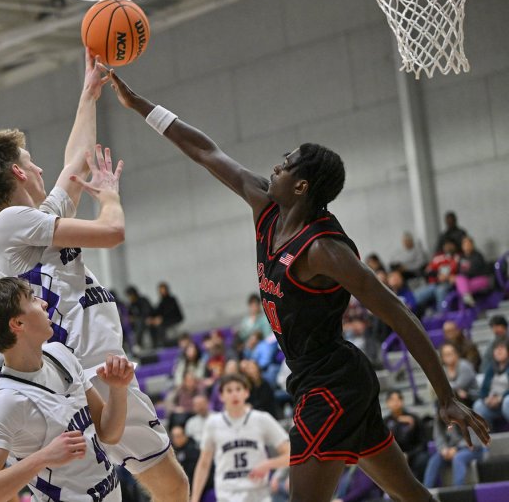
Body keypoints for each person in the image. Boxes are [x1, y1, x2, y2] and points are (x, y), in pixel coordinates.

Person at [106, 70, 490, 502]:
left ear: (302, 186)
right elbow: (205, 151)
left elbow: (398, 312)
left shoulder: (324, 250)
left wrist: (445, 396)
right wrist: (139, 105)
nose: (276, 167)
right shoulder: (265, 206)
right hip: (324, 378)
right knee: (411, 495)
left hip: (331, 386)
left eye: (285, 164)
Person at [0, 49, 188, 501]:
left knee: (161, 486)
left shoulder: (32, 223)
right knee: (170, 486)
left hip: (92, 369)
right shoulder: (9, 223)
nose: (42, 169)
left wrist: (88, 94)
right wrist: (110, 196)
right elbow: (112, 231)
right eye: (31, 162)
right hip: (85, 370)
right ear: (18, 171)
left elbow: (76, 165)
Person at [0, 277, 134, 501]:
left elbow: (108, 433)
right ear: (18, 323)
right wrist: (43, 458)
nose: (44, 303)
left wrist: (118, 390)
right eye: (32, 299)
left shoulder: (60, 354)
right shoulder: (5, 401)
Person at [190, 374, 290, 502]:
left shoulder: (262, 419)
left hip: (258, 495)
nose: (234, 394)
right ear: (221, 396)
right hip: (227, 495)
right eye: (229, 390)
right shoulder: (213, 423)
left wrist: (268, 464)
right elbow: (204, 464)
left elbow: (290, 454)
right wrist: (194, 498)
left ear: (246, 393)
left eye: (238, 389)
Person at [422, 413, 485, 488]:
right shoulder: (439, 417)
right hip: (451, 449)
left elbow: (474, 440)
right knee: (434, 460)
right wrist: (443, 449)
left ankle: (458, 491)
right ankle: (426, 490)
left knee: (458, 458)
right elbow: (438, 437)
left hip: (475, 450)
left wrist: (457, 449)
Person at [383, 390, 429, 481]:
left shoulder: (414, 418)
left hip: (413, 454)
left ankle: (422, 486)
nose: (396, 402)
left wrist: (408, 455)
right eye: (392, 400)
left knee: (423, 459)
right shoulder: (385, 422)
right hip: (394, 456)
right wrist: (397, 423)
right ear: (387, 403)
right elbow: (387, 443)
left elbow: (423, 443)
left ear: (403, 401)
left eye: (398, 399)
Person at [473, 339, 509, 430]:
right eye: (496, 349)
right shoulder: (491, 368)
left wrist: (500, 398)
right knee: (478, 406)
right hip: (494, 404)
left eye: (502, 348)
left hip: (505, 401)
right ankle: (488, 435)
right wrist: (486, 399)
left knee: (507, 401)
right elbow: (483, 389)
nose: (499, 351)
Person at [455, 235, 493, 307]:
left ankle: (467, 297)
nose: (467, 246)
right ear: (462, 246)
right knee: (459, 278)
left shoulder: (477, 256)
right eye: (465, 244)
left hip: (480, 279)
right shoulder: (462, 257)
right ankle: (467, 297)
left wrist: (464, 274)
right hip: (467, 281)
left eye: (468, 244)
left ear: (472, 245)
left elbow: (474, 271)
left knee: (462, 286)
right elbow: (460, 271)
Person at [438, 343, 479, 407]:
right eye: (445, 354)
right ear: (442, 357)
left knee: (458, 394)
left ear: (456, 353)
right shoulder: (444, 369)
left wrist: (444, 385)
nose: (448, 356)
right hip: (454, 398)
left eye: (450, 353)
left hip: (471, 397)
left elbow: (459, 385)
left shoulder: (464, 366)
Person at [147, 282, 185, 348]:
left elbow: (171, 312)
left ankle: (165, 344)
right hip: (165, 319)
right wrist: (151, 318)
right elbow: (157, 311)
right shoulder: (162, 301)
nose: (162, 292)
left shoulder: (172, 299)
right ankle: (155, 344)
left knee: (161, 325)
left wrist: (161, 319)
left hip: (174, 318)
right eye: (161, 291)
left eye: (163, 290)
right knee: (151, 325)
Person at [125, 285, 155, 351]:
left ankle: (138, 344)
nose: (129, 298)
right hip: (137, 322)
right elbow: (129, 314)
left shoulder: (143, 300)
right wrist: (130, 318)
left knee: (139, 323)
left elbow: (147, 312)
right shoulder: (131, 304)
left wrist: (136, 318)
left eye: (130, 295)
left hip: (147, 320)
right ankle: (129, 346)